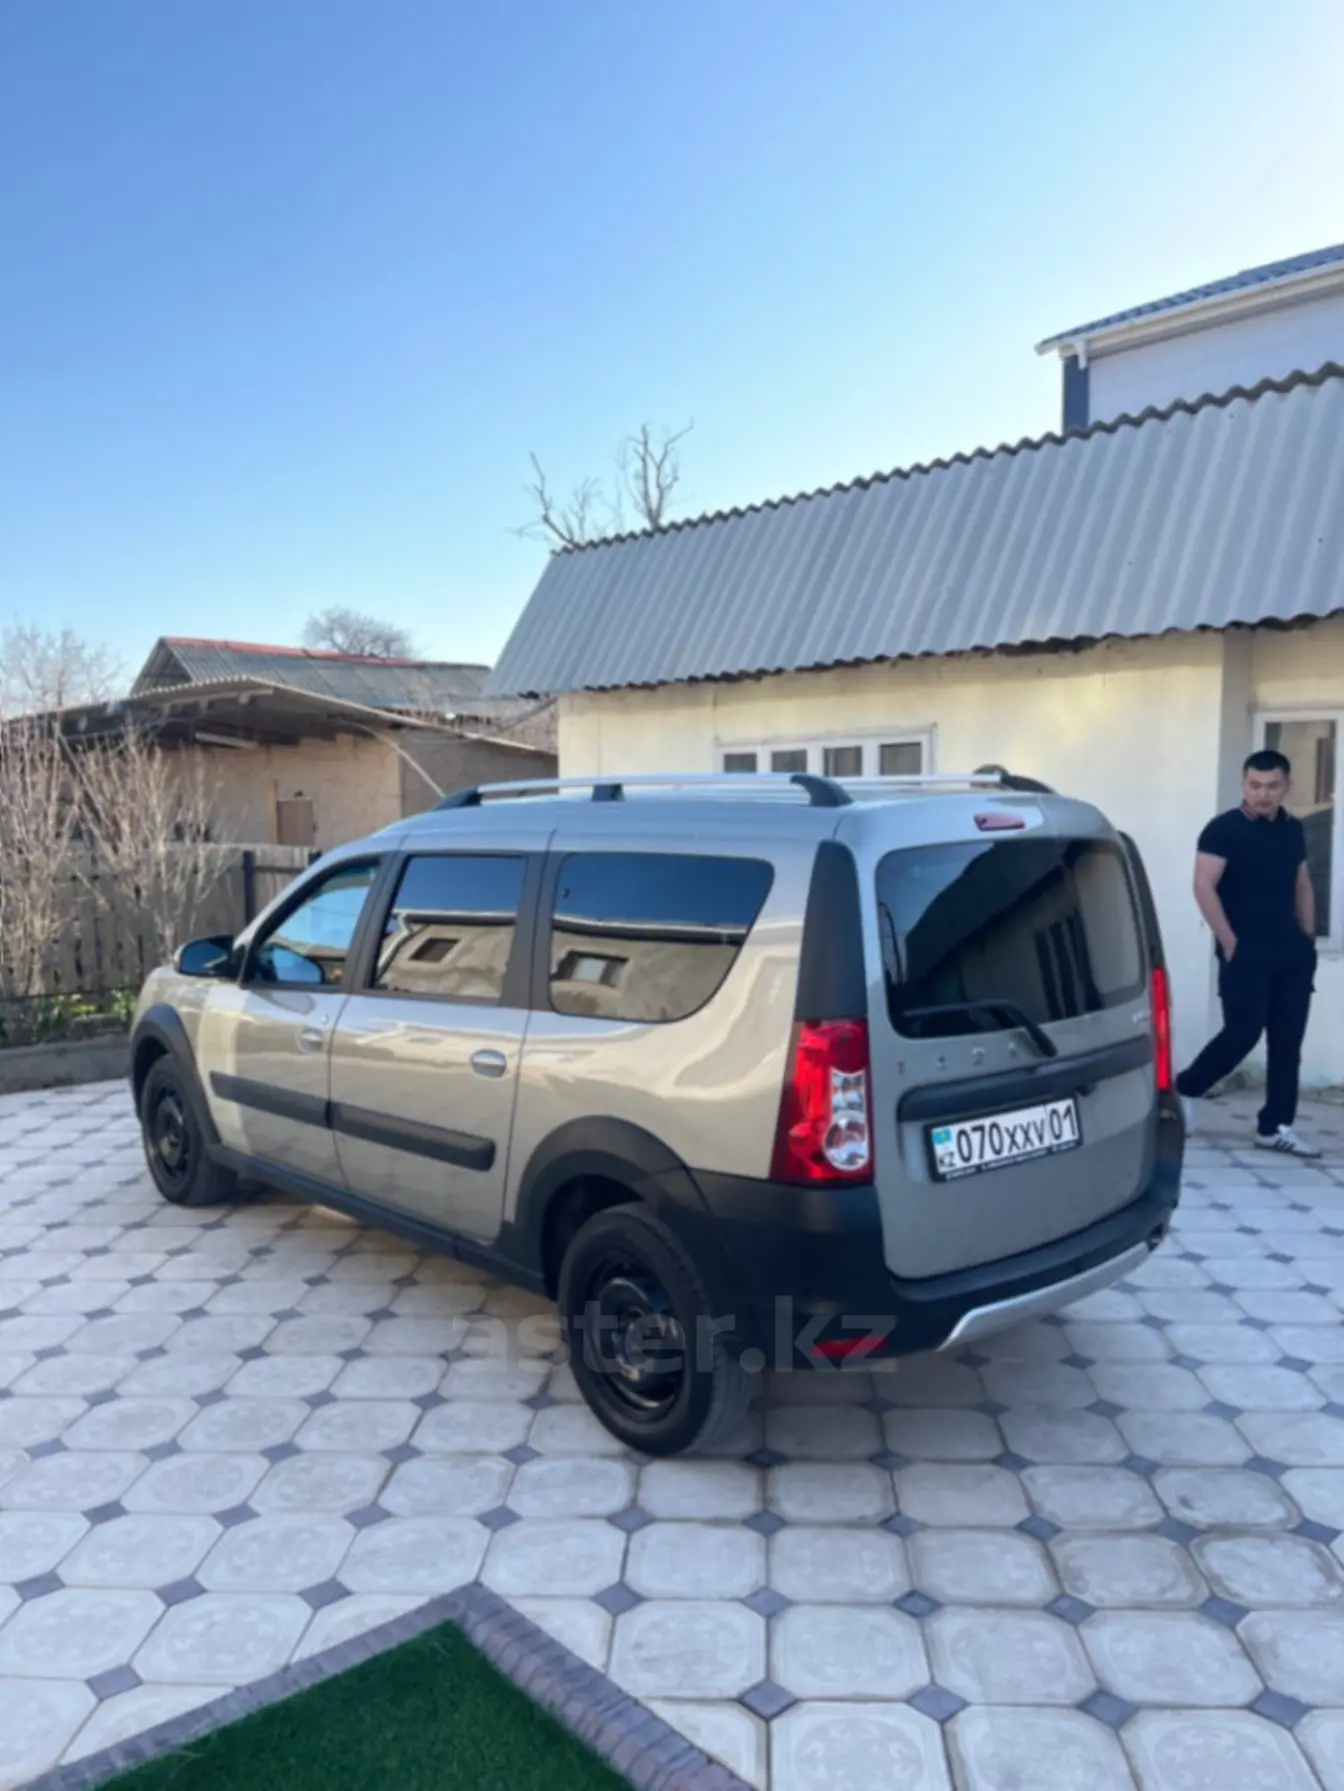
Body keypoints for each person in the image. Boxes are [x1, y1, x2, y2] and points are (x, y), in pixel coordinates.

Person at [1175, 749, 1321, 1157]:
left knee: (1287, 1042)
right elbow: (1203, 886)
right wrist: (1229, 943)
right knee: (1242, 1034)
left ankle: (1275, 1126)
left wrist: (1308, 937)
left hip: (1290, 952)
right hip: (1245, 951)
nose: (1262, 794)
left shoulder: (1292, 829)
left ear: (1286, 786)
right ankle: (1185, 1088)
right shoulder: (1222, 830)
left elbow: (1302, 882)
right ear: (1244, 784)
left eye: (1272, 786)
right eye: (1254, 785)